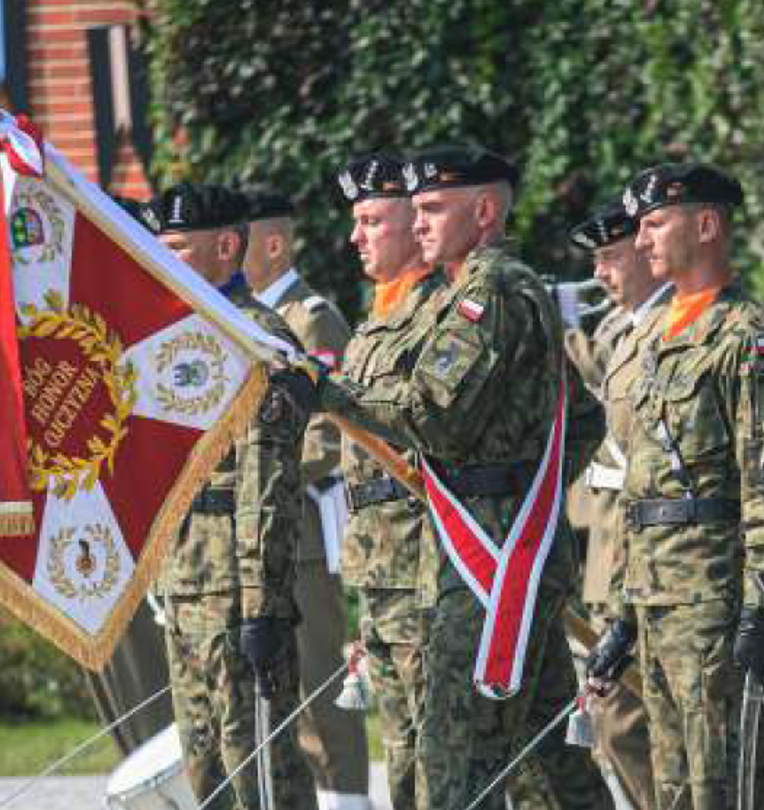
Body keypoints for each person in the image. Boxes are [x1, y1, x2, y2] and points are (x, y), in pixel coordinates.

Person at [310, 146, 611, 810]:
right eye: (413, 210)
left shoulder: (492, 289)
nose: (418, 224)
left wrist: (324, 392)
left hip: (489, 565)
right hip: (499, 550)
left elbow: (432, 416)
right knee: (551, 764)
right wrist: (526, 487)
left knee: (455, 765)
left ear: (484, 211)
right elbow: (582, 418)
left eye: (433, 208)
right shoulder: (480, 290)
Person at [585, 163, 764, 809]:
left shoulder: (746, 335)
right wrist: (620, 611)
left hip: (714, 602)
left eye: (654, 224)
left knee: (729, 783)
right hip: (653, 599)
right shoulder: (647, 342)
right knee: (669, 788)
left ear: (706, 224)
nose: (641, 242)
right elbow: (635, 494)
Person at [136, 182, 317, 810]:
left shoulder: (257, 340)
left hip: (238, 590)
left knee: (259, 765)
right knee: (202, 764)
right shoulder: (167, 340)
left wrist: (263, 603)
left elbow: (267, 483)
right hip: (182, 581)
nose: (164, 260)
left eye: (179, 248)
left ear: (227, 247)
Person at [242, 188, 371, 810]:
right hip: (254, 533)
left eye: (239, 242)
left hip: (305, 533)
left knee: (319, 682)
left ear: (272, 244)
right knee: (271, 691)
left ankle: (347, 798)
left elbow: (331, 430)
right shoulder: (236, 317)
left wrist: (254, 472)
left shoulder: (308, 317)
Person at [330, 152, 443, 810]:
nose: (356, 237)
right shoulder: (373, 321)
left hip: (424, 563)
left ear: (412, 224)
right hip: (381, 568)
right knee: (399, 754)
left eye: (371, 220)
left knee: (433, 754)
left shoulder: (437, 314)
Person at [560, 202, 667, 810]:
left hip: (651, 560)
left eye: (611, 256)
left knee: (633, 723)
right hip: (608, 552)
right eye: (596, 258)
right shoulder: (616, 329)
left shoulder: (663, 331)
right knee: (613, 727)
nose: (601, 272)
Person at [77, 195, 178, 755]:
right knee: (134, 732)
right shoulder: (80, 329)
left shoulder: (163, 327)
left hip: (158, 545)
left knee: (171, 726)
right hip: (91, 544)